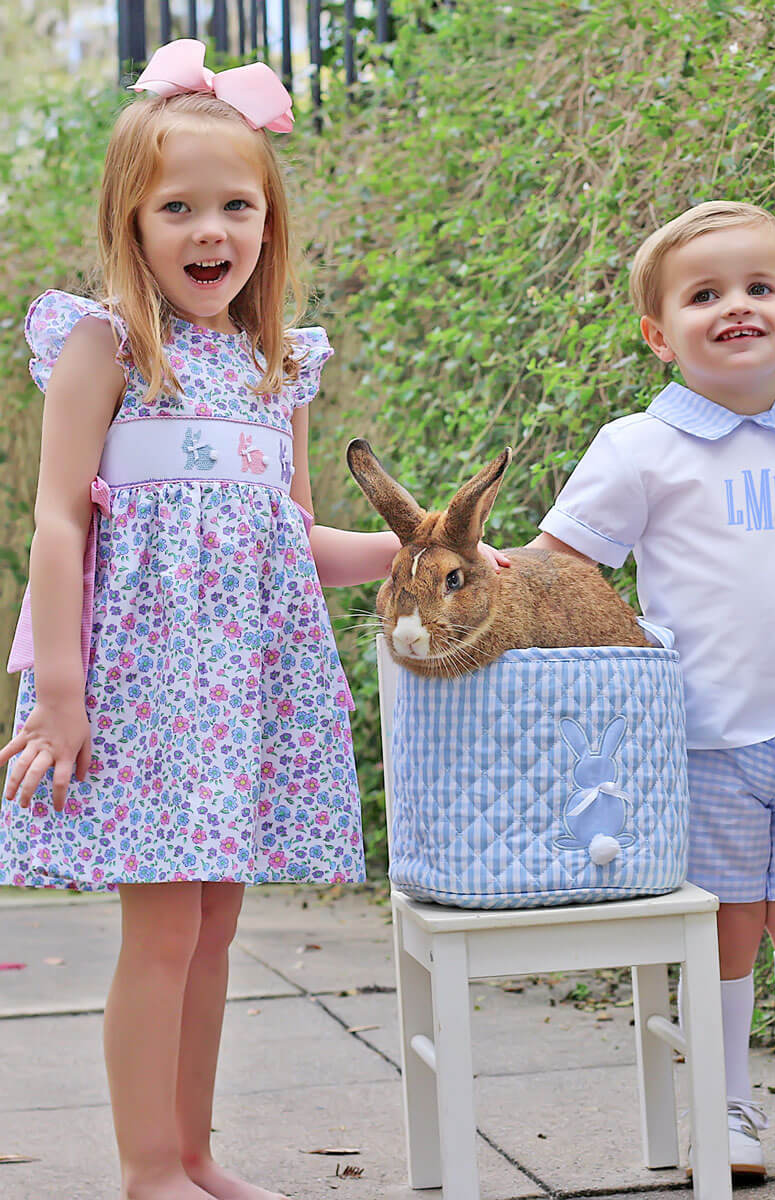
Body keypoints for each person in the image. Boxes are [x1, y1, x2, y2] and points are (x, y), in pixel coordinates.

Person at [0, 40, 403, 1200]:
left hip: (242, 689)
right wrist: (61, 696)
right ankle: (146, 1171)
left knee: (217, 928)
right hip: (143, 689)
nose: (209, 230)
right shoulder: (108, 346)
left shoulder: (277, 368)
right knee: (166, 930)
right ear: (130, 221)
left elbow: (294, 542)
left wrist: (414, 550)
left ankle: (192, 1155)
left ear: (269, 224)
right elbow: (58, 522)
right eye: (177, 207)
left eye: (236, 206)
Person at [530, 200, 775, 1179]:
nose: (736, 306)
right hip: (697, 741)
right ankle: (725, 1113)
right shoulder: (637, 448)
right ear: (659, 335)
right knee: (725, 928)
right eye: (704, 295)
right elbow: (562, 562)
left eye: (758, 287)